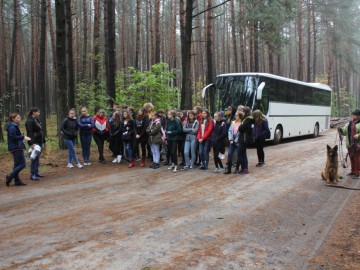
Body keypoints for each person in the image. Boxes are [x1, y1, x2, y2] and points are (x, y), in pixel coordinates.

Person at [6, 113, 31, 186]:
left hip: (16, 147)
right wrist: (23, 137)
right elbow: (13, 137)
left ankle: (17, 181)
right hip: (16, 147)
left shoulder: (14, 126)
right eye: (17, 117)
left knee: (16, 165)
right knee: (23, 164)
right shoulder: (12, 127)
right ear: (13, 119)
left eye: (19, 117)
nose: (19, 119)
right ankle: (10, 176)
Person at [338, 109, 360, 179]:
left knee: (357, 159)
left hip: (357, 145)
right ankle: (353, 171)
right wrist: (341, 130)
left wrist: (359, 135)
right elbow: (344, 132)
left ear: (358, 116)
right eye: (352, 115)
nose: (352, 116)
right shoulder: (349, 123)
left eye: (354, 115)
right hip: (350, 144)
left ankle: (358, 173)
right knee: (351, 158)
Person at [25, 107, 45, 180]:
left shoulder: (36, 120)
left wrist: (43, 141)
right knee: (34, 158)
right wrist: (31, 143)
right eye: (38, 112)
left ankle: (36, 172)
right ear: (34, 112)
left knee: (37, 157)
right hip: (34, 141)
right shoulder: (29, 121)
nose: (39, 113)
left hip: (39, 140)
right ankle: (32, 174)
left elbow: (41, 131)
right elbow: (29, 132)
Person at [236, 107, 253, 174]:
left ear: (245, 112)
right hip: (243, 138)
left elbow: (240, 128)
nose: (241, 112)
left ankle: (243, 168)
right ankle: (244, 168)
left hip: (244, 138)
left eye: (242, 111)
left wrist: (240, 126)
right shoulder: (246, 119)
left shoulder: (247, 119)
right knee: (243, 154)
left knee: (240, 154)